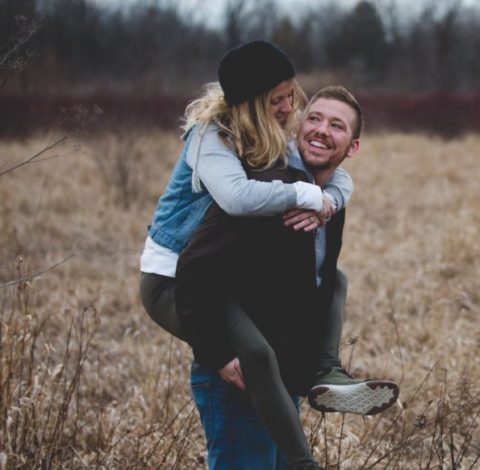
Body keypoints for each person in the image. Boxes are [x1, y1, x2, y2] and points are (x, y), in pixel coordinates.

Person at [137, 41, 397, 468]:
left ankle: (325, 371)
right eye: (277, 100)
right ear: (253, 103)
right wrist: (304, 194)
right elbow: (238, 199)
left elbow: (335, 170)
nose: (288, 106)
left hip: (217, 282)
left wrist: (327, 199)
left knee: (336, 280)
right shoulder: (211, 137)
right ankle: (303, 462)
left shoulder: (272, 140)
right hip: (173, 275)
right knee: (255, 355)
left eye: (291, 95)